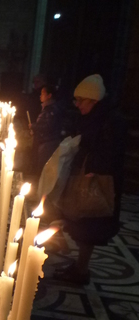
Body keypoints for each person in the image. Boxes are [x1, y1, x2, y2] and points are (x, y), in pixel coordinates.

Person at [53, 74, 127, 285]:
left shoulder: (113, 120)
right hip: (84, 178)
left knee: (90, 226)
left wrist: (92, 166)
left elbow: (112, 151)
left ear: (94, 100)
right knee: (81, 224)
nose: (77, 105)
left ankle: (81, 271)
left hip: (98, 183)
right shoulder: (91, 117)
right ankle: (79, 266)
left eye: (81, 100)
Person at [29, 84, 64, 174]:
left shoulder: (51, 110)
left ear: (49, 95)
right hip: (43, 142)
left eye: (43, 93)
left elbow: (49, 127)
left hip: (48, 144)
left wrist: (34, 126)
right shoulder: (46, 108)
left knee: (43, 170)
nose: (40, 96)